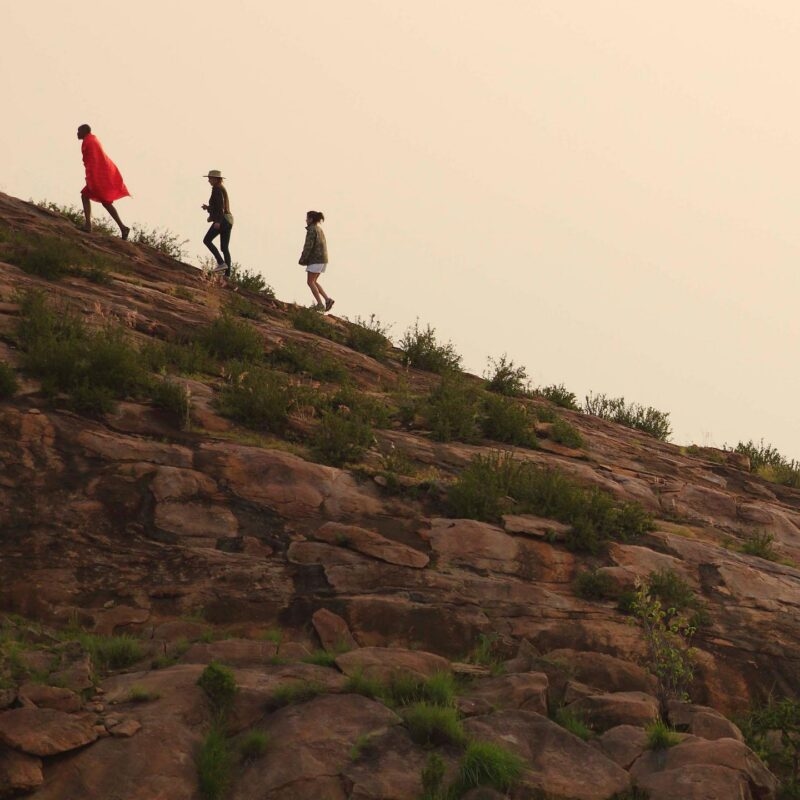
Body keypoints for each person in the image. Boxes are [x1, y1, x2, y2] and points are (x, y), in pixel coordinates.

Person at [77, 124, 130, 239]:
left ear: (85, 131)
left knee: (101, 200)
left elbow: (93, 162)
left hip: (98, 177)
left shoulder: (89, 142)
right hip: (101, 175)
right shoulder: (92, 140)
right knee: (101, 201)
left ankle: (88, 225)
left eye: (79, 131)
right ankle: (122, 227)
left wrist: (91, 179)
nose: (77, 133)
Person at [299, 210, 333, 311]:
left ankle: (320, 304)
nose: (306, 220)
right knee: (314, 281)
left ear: (311, 219)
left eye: (307, 218)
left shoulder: (312, 230)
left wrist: (303, 258)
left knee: (310, 282)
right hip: (323, 259)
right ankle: (327, 300)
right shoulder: (319, 229)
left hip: (316, 259)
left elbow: (308, 246)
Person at [201, 170, 233, 276]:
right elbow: (218, 206)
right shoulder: (221, 188)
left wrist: (218, 221)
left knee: (207, 240)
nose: (209, 180)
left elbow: (220, 206)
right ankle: (227, 275)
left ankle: (220, 262)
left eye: (210, 178)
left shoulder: (217, 189)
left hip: (222, 219)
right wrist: (208, 208)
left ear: (216, 179)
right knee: (224, 247)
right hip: (229, 220)